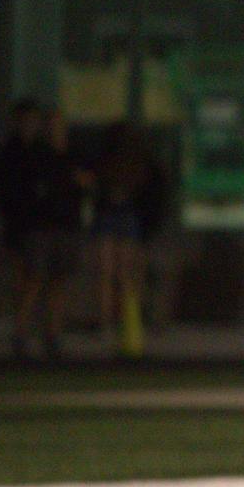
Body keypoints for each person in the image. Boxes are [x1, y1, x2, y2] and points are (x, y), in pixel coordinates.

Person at [91, 123, 165, 350]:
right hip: (112, 217)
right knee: (111, 274)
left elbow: (148, 191)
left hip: (126, 217)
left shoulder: (139, 163)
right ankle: (111, 323)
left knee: (122, 275)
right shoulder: (109, 161)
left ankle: (125, 323)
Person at [24, 109, 87, 359]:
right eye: (51, 126)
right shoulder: (38, 155)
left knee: (59, 282)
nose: (55, 131)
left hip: (66, 225)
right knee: (34, 280)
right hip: (42, 227)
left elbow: (84, 182)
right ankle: (22, 332)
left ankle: (53, 333)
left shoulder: (72, 154)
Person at [0, 99, 45, 360]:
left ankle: (24, 328)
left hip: (36, 226)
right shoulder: (11, 152)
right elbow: (6, 191)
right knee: (23, 278)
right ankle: (21, 329)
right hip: (19, 226)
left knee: (34, 277)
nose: (31, 125)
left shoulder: (39, 150)